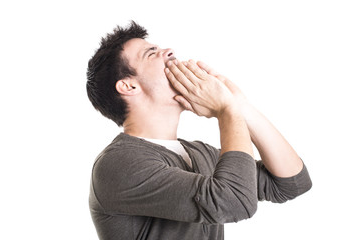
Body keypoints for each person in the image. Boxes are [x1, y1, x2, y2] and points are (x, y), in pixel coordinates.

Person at [86, 21, 312, 240]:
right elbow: (234, 201)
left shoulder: (200, 153)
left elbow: (291, 183)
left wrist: (240, 105)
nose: (169, 51)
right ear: (129, 86)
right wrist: (226, 111)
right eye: (151, 53)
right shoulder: (119, 163)